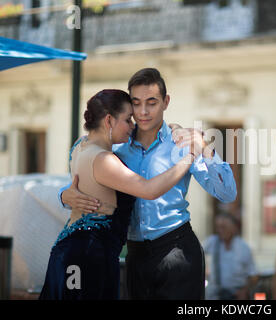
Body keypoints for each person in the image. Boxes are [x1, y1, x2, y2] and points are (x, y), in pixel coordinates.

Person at [59, 68, 237, 299]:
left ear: (166, 102)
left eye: (152, 103)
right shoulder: (116, 146)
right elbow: (78, 181)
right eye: (136, 103)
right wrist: (64, 196)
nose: (143, 112)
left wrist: (206, 149)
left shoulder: (182, 144)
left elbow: (227, 193)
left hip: (178, 251)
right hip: (134, 257)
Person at [40, 89, 200, 300]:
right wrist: (190, 157)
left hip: (72, 251)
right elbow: (149, 190)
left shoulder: (80, 146)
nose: (132, 127)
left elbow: (80, 186)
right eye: (128, 120)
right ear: (109, 120)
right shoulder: (104, 160)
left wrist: (174, 128)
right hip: (88, 256)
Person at [203, 213, 258, 300]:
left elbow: (253, 275)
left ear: (234, 228)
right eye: (218, 227)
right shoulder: (212, 242)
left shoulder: (243, 247)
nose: (220, 230)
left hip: (236, 294)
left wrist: (244, 290)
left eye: (224, 227)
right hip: (215, 294)